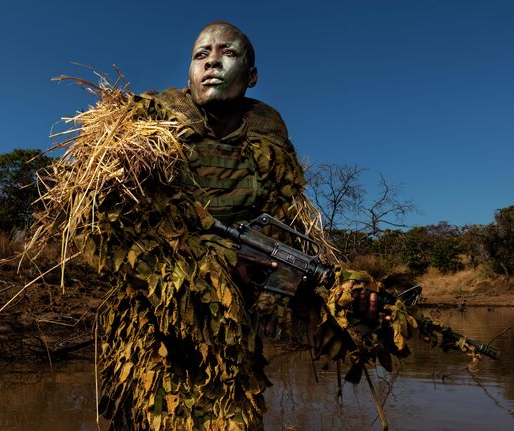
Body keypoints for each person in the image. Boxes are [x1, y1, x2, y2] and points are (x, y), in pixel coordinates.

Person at [95, 21, 387, 430]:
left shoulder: (268, 137)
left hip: (235, 345)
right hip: (155, 340)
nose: (212, 61)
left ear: (251, 77)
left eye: (227, 53)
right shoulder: (148, 124)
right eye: (201, 55)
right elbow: (107, 232)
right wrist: (211, 267)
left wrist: (342, 299)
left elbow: (281, 253)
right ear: (190, 73)